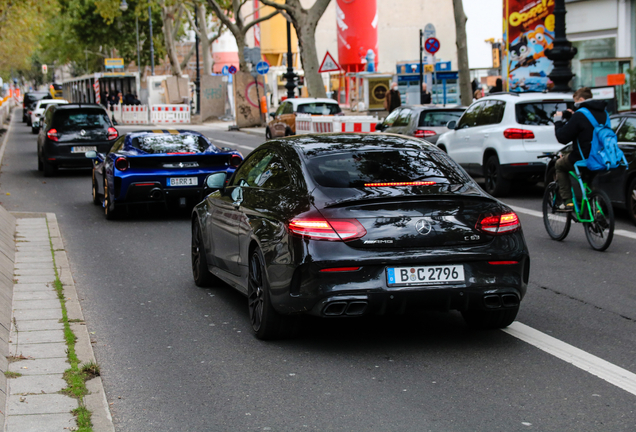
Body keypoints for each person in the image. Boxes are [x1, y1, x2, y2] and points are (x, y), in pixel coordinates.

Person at [553, 87, 608, 211]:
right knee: (588, 181)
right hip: (602, 157)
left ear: (581, 99)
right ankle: (597, 211)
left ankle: (568, 202)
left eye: (575, 101)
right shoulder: (604, 113)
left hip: (584, 157)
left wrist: (558, 122)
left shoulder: (580, 115)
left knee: (560, 165)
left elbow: (562, 137)